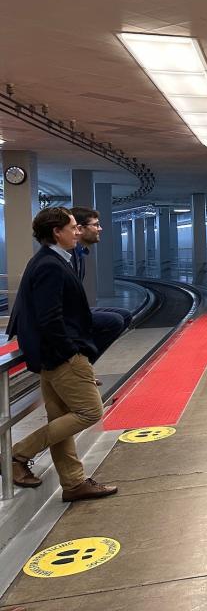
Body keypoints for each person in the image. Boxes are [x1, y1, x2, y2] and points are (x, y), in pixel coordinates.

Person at [1, 208, 117, 501]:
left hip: (50, 356)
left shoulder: (49, 260)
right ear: (57, 232)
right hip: (60, 356)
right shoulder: (50, 265)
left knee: (61, 418)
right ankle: (16, 454)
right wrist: (72, 355)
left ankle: (74, 483)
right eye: (74, 227)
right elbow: (50, 318)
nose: (78, 232)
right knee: (90, 411)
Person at [70, 207, 134, 372]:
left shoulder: (79, 253)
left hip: (74, 310)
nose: (100, 228)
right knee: (114, 321)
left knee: (124, 316)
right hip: (66, 314)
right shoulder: (65, 256)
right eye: (96, 225)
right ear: (80, 228)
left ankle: (86, 361)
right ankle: (81, 365)